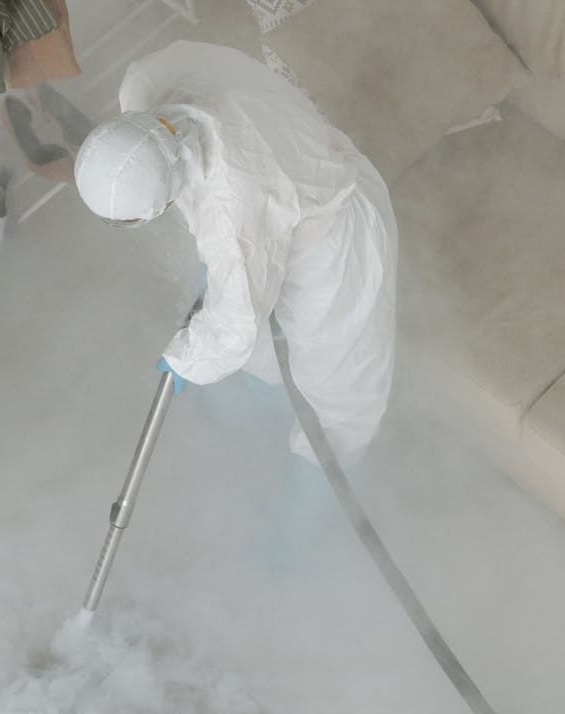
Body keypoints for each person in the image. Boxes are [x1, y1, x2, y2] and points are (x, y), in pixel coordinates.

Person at [73, 41, 397, 463]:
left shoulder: (230, 205)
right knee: (265, 346)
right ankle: (265, 423)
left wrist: (186, 359)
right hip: (289, 175)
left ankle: (319, 486)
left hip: (335, 238)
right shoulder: (147, 86)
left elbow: (234, 327)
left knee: (339, 386)